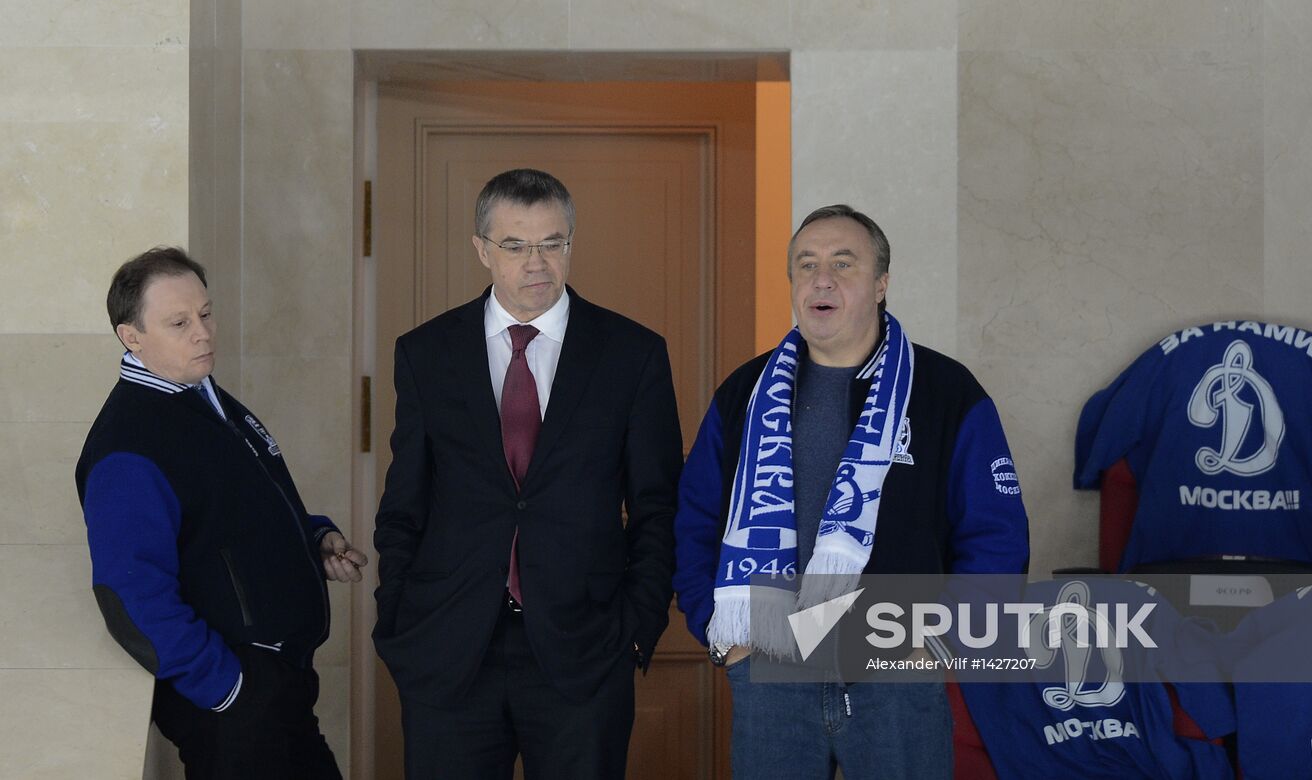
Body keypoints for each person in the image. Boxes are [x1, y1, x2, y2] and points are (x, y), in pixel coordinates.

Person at [673, 205, 1031, 778]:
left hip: (896, 677)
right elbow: (694, 522)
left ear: (882, 283)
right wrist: (726, 643)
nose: (823, 279)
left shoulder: (945, 391)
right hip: (770, 670)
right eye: (807, 264)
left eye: (844, 263)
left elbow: (996, 536)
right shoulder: (744, 393)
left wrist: (938, 647)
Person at [373, 168, 683, 779]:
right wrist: (398, 617)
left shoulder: (632, 352)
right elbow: (405, 502)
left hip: (585, 649)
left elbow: (658, 504)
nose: (536, 262)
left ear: (571, 244)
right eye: (515, 245)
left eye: (553, 242)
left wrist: (636, 627)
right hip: (449, 647)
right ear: (482, 250)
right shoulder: (425, 352)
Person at [75, 247, 366, 779]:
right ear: (131, 337)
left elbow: (237, 516)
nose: (203, 333)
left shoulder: (202, 395)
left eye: (205, 314)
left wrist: (314, 537)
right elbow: (131, 593)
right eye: (179, 322)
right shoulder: (128, 446)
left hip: (279, 687)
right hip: (234, 707)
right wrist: (229, 689)